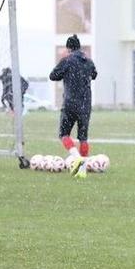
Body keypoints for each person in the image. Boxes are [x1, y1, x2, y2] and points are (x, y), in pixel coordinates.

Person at [49, 34, 97, 177]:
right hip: (85, 104)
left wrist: (65, 67)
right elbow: (94, 75)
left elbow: (53, 76)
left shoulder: (67, 60)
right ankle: (82, 171)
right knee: (83, 138)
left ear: (68, 48)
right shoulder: (88, 61)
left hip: (70, 103)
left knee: (64, 134)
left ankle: (78, 159)